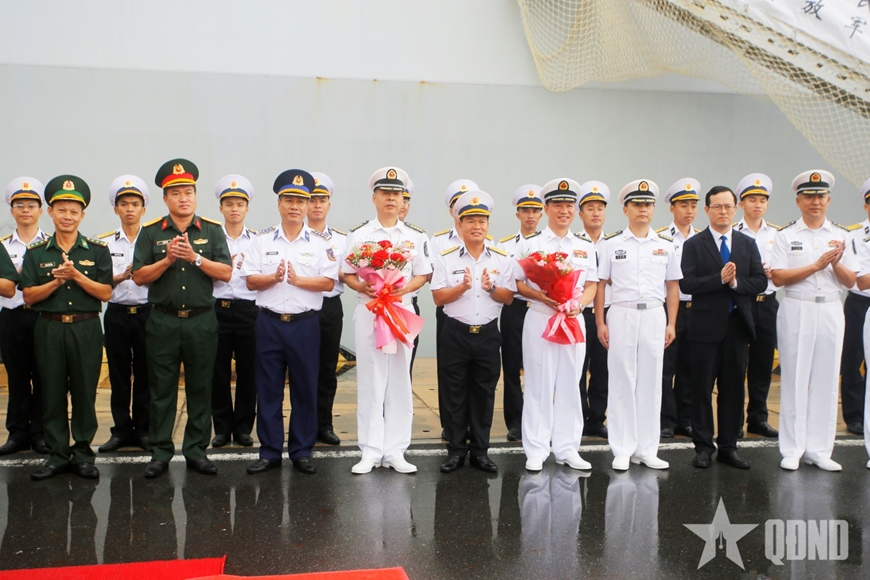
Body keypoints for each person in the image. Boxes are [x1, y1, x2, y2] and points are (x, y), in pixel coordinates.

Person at [132, 159, 232, 479]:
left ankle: (196, 450)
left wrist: (195, 257)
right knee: (161, 389)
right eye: (176, 193)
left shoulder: (212, 231)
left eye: (188, 192)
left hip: (201, 321)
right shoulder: (151, 233)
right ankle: (161, 452)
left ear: (195, 195)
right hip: (163, 320)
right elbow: (138, 276)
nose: (183, 198)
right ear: (165, 199)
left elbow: (226, 272)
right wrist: (167, 259)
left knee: (200, 387)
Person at [241, 169, 338, 475]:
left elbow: (328, 283)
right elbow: (250, 281)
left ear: (309, 206)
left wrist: (299, 281)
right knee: (268, 388)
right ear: (279, 204)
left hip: (305, 325)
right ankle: (269, 451)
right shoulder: (261, 240)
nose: (295, 206)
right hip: (269, 323)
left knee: (305, 388)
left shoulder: (321, 243)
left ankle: (301, 450)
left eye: (301, 200)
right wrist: (273, 277)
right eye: (289, 200)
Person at [20, 175, 112, 480]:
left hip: (85, 329)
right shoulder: (36, 253)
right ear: (50, 212)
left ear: (82, 215)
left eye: (74, 211)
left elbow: (105, 293)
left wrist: (77, 276)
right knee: (52, 391)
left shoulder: (97, 251)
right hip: (49, 328)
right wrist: (56, 281)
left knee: (85, 391)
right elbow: (29, 296)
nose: (68, 216)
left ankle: (83, 453)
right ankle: (58, 454)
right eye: (62, 210)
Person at [342, 167, 431, 474]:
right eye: (386, 194)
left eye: (397, 194)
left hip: (401, 310)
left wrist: (404, 288)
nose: (391, 199)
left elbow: (423, 273)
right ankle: (369, 450)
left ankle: (396, 450)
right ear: (374, 197)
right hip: (370, 311)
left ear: (402, 198)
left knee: (399, 380)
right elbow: (347, 272)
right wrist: (361, 286)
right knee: (370, 380)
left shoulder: (415, 236)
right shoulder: (360, 234)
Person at [771, 170, 858, 472]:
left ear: (829, 200)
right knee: (795, 378)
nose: (815, 202)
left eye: (820, 196)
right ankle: (793, 448)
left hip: (831, 309)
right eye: (809, 196)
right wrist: (815, 265)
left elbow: (851, 281)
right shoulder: (786, 235)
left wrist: (834, 264)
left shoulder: (842, 235)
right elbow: (779, 277)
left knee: (825, 378)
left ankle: (820, 449)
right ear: (798, 201)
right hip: (798, 308)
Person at [679, 185, 767, 470]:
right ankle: (704, 447)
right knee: (702, 389)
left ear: (736, 208)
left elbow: (760, 282)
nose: (723, 211)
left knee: (733, 390)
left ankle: (729, 446)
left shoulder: (746, 243)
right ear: (707, 210)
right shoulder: (694, 244)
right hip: (704, 328)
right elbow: (687, 283)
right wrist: (718, 279)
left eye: (728, 206)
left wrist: (735, 283)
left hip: (737, 327)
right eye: (717, 206)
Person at [596, 179, 681, 472]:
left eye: (647, 204)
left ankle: (647, 449)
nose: (642, 209)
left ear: (653, 208)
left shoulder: (666, 246)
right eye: (637, 204)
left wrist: (671, 323)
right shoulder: (611, 244)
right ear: (626, 208)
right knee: (622, 381)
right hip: (621, 313)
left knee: (651, 381)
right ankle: (622, 448)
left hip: (655, 316)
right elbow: (600, 285)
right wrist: (600, 322)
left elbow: (672, 287)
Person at [515, 178, 597, 472]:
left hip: (573, 320)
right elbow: (517, 284)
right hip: (540, 316)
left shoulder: (584, 246)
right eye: (558, 205)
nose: (564, 210)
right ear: (546, 208)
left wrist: (578, 304)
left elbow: (591, 285)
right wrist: (544, 297)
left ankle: (567, 447)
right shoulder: (531, 244)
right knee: (539, 382)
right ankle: (536, 448)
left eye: (569, 205)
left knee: (570, 383)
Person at [432, 190, 516, 473]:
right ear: (460, 224)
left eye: (482, 220)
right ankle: (455, 450)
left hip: (489, 335)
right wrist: (463, 287)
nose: (476, 226)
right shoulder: (446, 258)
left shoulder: (502, 258)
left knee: (484, 393)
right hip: (455, 333)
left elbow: (508, 298)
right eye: (470, 220)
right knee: (454, 393)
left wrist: (491, 287)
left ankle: (480, 450)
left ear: (488, 225)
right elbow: (438, 298)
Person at [98, 175, 152, 452]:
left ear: (144, 209)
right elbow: (97, 283)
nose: (130, 209)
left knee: (145, 373)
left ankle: (144, 430)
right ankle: (120, 431)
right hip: (117, 313)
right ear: (115, 209)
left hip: (147, 313)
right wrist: (120, 276)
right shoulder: (104, 244)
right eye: (124, 204)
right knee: (118, 375)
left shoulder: (153, 240)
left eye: (135, 204)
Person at [0, 177, 48, 455]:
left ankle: (40, 432)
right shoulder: (4, 247)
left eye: (31, 205)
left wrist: (18, 276)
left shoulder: (52, 244)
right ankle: (17, 434)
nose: (26, 210)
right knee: (16, 378)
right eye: (20, 205)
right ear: (12, 210)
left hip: (43, 317)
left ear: (41, 210)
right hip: (12, 318)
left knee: (45, 376)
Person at [210, 174, 258, 449]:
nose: (234, 209)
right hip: (218, 309)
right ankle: (221, 427)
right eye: (229, 204)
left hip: (249, 310)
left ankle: (243, 428)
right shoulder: (212, 238)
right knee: (217, 370)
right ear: (221, 208)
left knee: (248, 370)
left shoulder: (258, 240)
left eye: (240, 204)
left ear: (247, 208)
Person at [734, 173, 780, 438]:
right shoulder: (734, 233)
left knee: (763, 363)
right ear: (742, 203)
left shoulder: (777, 234)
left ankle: (758, 418)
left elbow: (786, 269)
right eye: (752, 199)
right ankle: (735, 420)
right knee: (737, 364)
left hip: (768, 303)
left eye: (762, 200)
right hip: (742, 303)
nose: (758, 205)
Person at [498, 184, 543, 442]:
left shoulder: (548, 244)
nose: (530, 215)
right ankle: (515, 422)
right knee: (512, 366)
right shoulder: (504, 246)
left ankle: (538, 418)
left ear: (542, 213)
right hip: (515, 309)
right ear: (517, 214)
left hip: (540, 308)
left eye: (535, 210)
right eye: (525, 210)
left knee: (540, 364)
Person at [657, 179, 699, 439]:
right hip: (669, 308)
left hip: (697, 309)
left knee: (690, 368)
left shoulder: (703, 238)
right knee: (665, 368)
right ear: (672, 208)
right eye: (684, 205)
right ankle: (665, 420)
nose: (689, 210)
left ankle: (686, 419)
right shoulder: (660, 238)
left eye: (693, 205)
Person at [308, 171, 347, 445]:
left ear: (329, 204)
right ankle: (305, 425)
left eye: (322, 199)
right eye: (312, 199)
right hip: (304, 308)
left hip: (331, 308)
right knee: (303, 369)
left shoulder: (343, 241)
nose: (317, 205)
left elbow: (350, 274)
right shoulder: (294, 238)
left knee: (327, 369)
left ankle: (325, 424)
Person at [575, 180, 611, 439]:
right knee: (577, 367)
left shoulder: (615, 243)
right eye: (590, 208)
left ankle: (597, 419)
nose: (595, 213)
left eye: (600, 208)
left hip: (608, 314)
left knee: (602, 368)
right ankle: (577, 415)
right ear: (580, 214)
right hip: (578, 312)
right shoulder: (574, 244)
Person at [841, 178, 870, 435]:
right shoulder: (854, 235)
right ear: (866, 206)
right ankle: (854, 416)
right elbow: (859, 280)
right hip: (861, 302)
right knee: (852, 359)